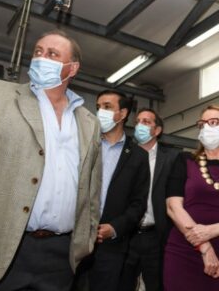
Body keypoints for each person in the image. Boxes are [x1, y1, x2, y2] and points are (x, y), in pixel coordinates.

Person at [0, 30, 102, 290]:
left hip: (60, 256)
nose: (41, 58)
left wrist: (87, 239)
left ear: (72, 68)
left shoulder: (89, 122)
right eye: (38, 51)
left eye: (52, 54)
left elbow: (91, 189)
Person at [164, 104, 219, 290]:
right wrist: (204, 246)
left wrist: (213, 230)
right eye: (202, 123)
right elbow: (173, 207)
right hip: (183, 250)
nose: (206, 127)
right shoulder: (185, 160)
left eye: (214, 122)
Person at [72, 90, 149, 291]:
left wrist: (114, 228)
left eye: (107, 107)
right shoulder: (83, 144)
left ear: (122, 114)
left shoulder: (138, 156)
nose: (100, 112)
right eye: (98, 107)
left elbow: (138, 203)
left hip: (111, 247)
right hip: (74, 239)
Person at [118, 108, 180, 291]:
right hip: (127, 235)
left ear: (157, 130)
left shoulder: (171, 158)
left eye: (146, 122)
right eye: (137, 121)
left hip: (157, 235)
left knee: (157, 285)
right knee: (121, 284)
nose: (140, 126)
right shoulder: (124, 155)